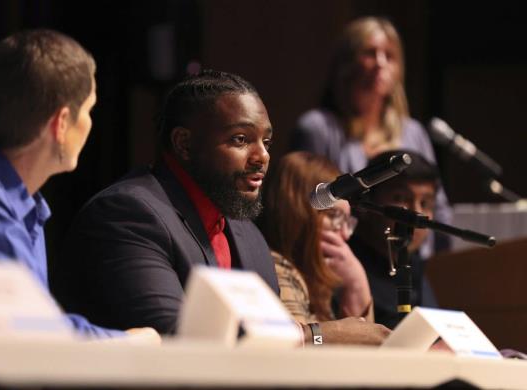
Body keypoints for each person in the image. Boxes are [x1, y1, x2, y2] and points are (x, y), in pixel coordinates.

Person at [50, 70, 390, 345]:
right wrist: (318, 335)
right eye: (240, 140)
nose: (262, 157)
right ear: (184, 143)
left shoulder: (247, 235)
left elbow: (270, 349)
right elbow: (177, 337)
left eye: (266, 141)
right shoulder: (128, 214)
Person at [0, 29, 157, 341]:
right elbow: (34, 330)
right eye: (89, 110)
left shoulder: (15, 203)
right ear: (61, 123)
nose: (90, 123)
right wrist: (131, 343)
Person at [290, 16, 451, 256]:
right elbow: (302, 207)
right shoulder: (317, 128)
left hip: (410, 263)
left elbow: (439, 208)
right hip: (340, 260)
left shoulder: (413, 132)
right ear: (346, 64)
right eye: (369, 53)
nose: (380, 63)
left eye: (389, 55)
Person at [261, 151, 373, 324]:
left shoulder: (315, 279)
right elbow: (306, 344)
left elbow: (364, 345)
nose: (344, 234)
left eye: (347, 221)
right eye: (334, 215)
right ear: (293, 210)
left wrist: (357, 284)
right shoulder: (276, 270)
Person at [349, 149, 440, 329]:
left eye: (425, 203)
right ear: (366, 203)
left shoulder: (414, 265)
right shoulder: (343, 262)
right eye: (400, 198)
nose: (415, 213)